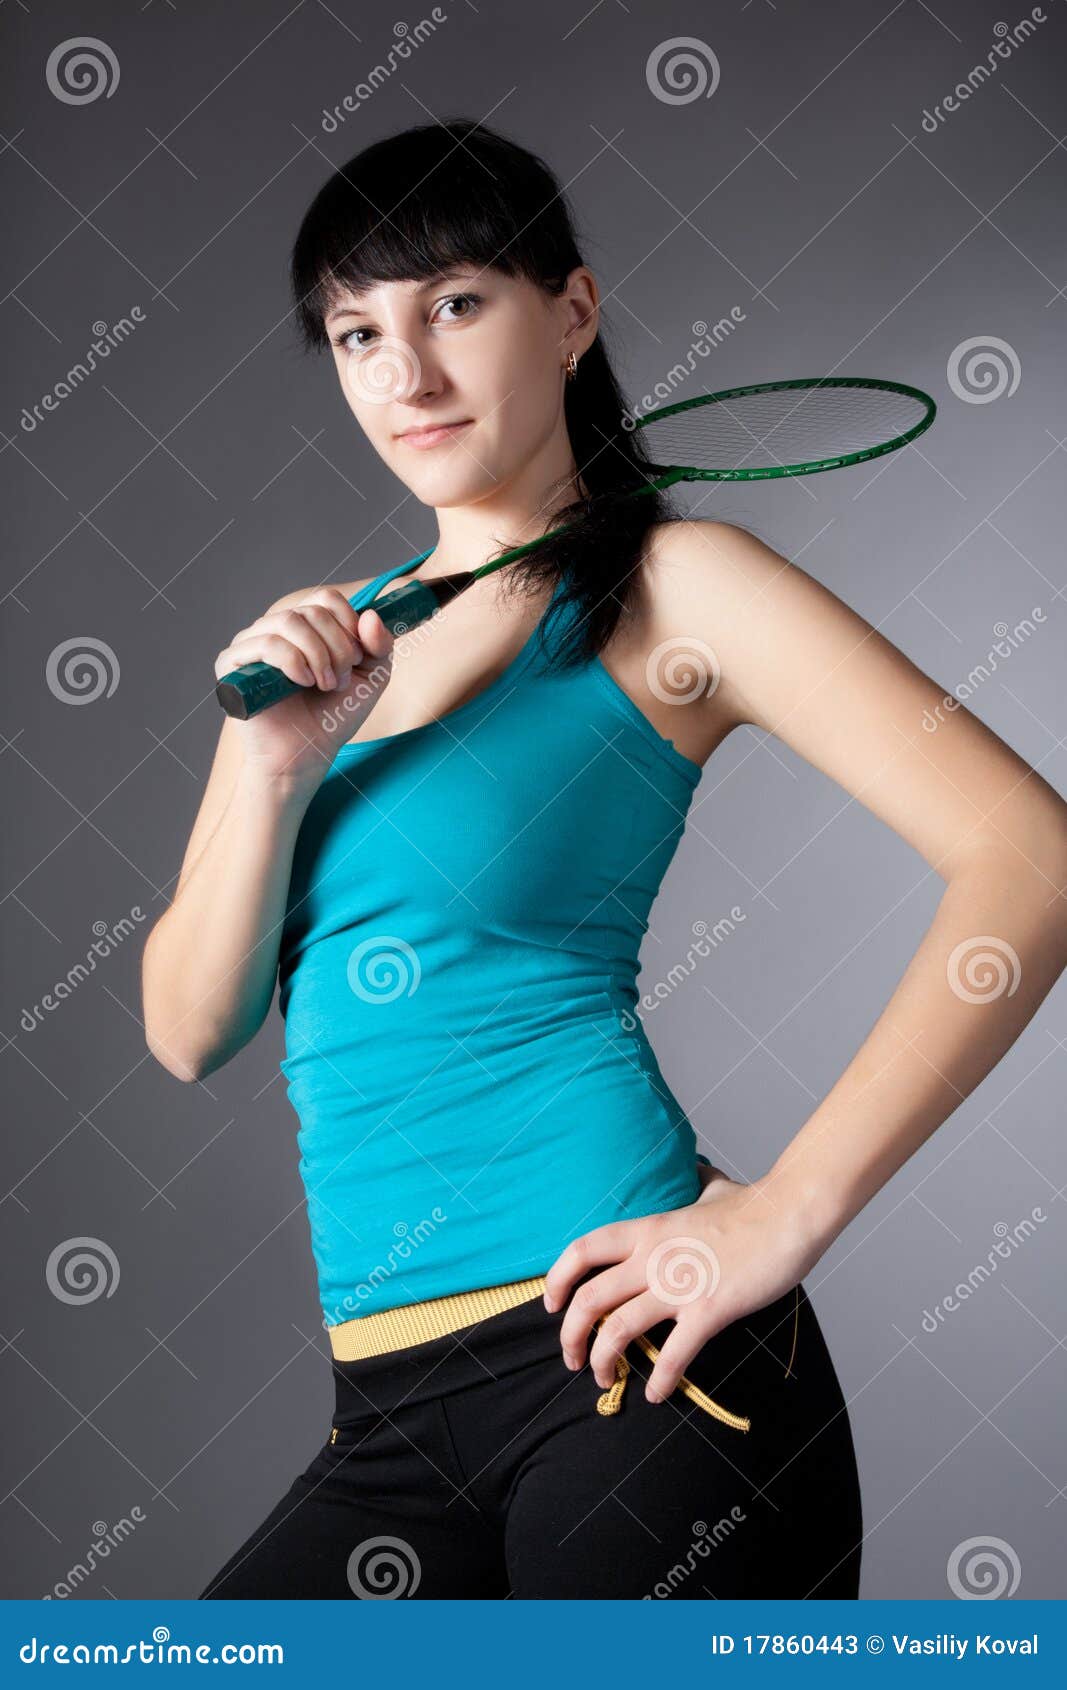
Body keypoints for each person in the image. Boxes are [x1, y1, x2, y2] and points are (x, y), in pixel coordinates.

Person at [142, 119, 1067, 1601]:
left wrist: (787, 1208)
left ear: (570, 311)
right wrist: (267, 762)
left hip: (639, 1363)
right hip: (387, 1412)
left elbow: (1034, 855)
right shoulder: (331, 651)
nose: (407, 373)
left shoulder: (670, 584)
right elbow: (190, 1026)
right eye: (356, 331)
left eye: (455, 305)